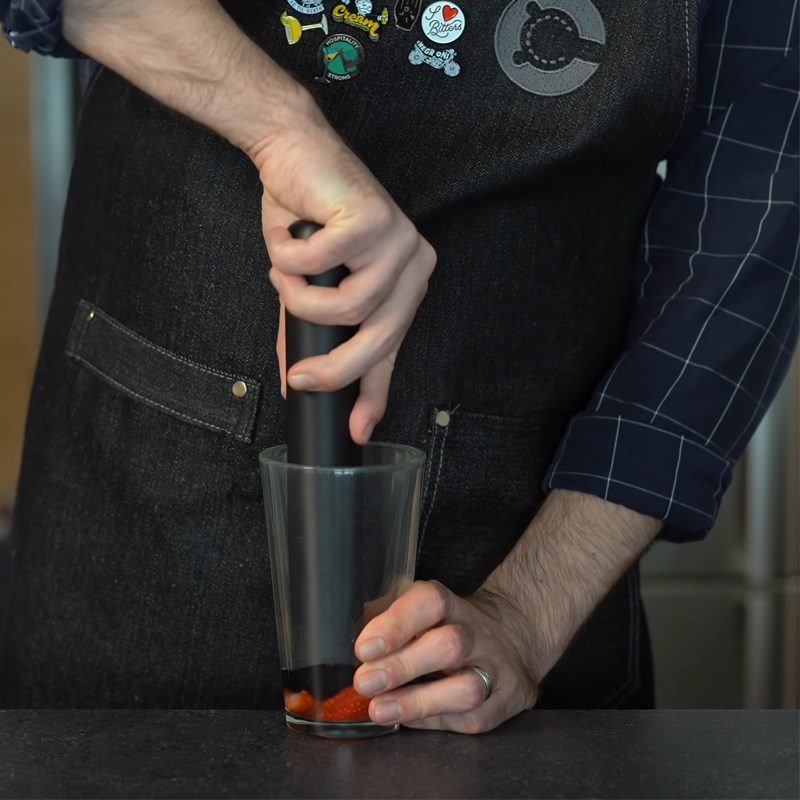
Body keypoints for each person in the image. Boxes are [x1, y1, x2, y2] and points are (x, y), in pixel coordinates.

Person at [0, 0, 796, 732]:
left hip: (510, 575)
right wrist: (281, 131)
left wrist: (525, 614)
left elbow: (737, 263)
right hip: (132, 534)